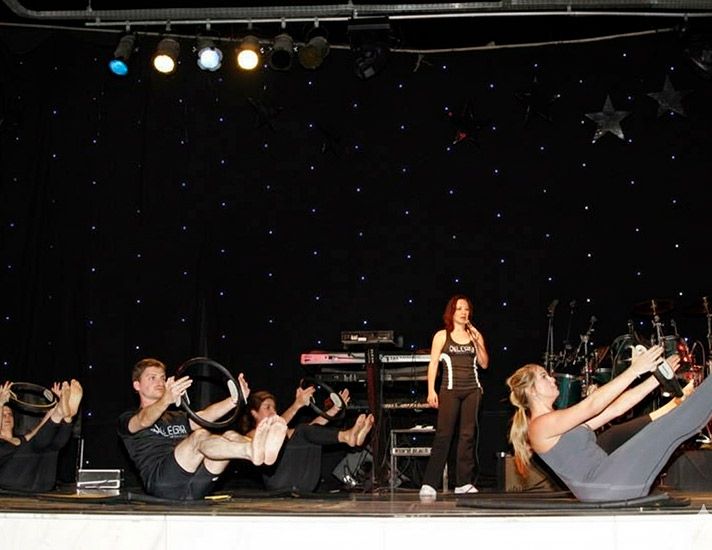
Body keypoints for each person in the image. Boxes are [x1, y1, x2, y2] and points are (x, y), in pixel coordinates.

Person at [506, 345, 712, 502]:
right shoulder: (539, 426)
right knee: (667, 426)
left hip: (607, 481)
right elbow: (591, 405)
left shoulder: (559, 420)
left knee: (668, 427)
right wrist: (634, 370)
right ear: (531, 391)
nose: (552, 379)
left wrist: (657, 378)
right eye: (544, 376)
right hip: (603, 484)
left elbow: (616, 408)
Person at [118, 358, 287, 500]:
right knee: (200, 436)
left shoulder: (175, 416)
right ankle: (251, 450)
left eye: (162, 378)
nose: (160, 382)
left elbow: (205, 415)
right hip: (163, 483)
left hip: (195, 486)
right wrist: (166, 400)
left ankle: (260, 448)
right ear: (137, 385)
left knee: (229, 435)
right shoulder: (128, 418)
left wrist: (234, 400)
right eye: (152, 378)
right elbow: (144, 420)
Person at [242, 384, 375, 493]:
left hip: (305, 482)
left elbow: (311, 430)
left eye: (274, 408)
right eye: (267, 407)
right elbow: (274, 431)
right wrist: (297, 404)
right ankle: (347, 436)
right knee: (302, 430)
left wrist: (334, 409)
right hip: (280, 481)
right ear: (254, 413)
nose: (273, 411)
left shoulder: (285, 431)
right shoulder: (251, 435)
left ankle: (348, 436)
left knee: (308, 433)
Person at [419, 294, 489, 499]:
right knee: (444, 435)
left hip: (472, 390)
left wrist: (478, 340)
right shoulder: (442, 335)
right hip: (449, 390)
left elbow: (484, 364)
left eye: (466, 309)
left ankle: (463, 482)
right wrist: (431, 390)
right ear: (451, 312)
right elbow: (433, 364)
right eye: (459, 308)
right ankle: (430, 483)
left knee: (467, 436)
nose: (463, 312)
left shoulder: (475, 336)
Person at [0, 379, 83, 492]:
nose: (7, 417)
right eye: (3, 414)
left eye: (10, 414)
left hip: (41, 483)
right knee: (35, 444)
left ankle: (68, 417)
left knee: (52, 447)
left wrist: (56, 406)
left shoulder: (21, 439)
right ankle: (61, 414)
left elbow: (39, 429)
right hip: (12, 481)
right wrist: (1, 403)